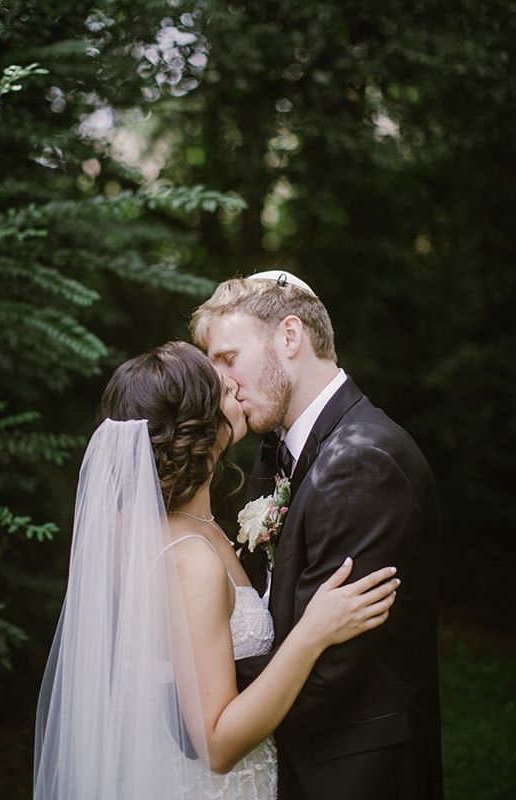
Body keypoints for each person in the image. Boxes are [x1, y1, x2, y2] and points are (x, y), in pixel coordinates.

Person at [33, 340, 399, 800]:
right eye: (225, 390)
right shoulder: (190, 559)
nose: (239, 388)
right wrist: (314, 632)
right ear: (201, 429)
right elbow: (216, 743)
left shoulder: (156, 529)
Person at [191, 271, 443, 800]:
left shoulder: (362, 461)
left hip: (354, 773)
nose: (222, 384)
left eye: (228, 358)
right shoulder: (278, 451)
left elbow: (330, 671)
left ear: (289, 336)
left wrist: (194, 696)